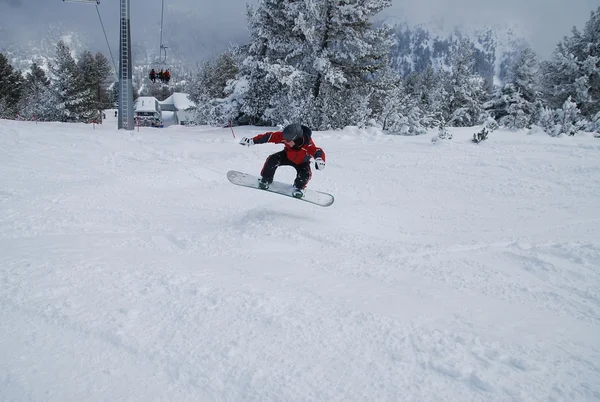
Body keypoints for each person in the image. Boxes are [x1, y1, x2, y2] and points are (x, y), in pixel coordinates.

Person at [239, 123, 326, 198]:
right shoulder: (287, 137)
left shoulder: (307, 145)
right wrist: (252, 141)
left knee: (305, 174)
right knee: (272, 159)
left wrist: (320, 159)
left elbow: (317, 151)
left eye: (288, 141)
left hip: (302, 162)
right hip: (287, 155)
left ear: (296, 139)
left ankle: (298, 188)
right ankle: (266, 179)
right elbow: (269, 137)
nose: (285, 141)